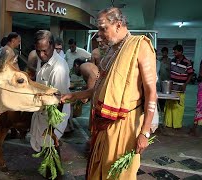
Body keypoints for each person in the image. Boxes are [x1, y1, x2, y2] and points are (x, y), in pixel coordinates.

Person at [61, 7, 157, 180]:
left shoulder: (140, 45)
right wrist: (75, 96)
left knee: (118, 174)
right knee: (100, 169)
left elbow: (151, 92)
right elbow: (98, 88)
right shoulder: (110, 52)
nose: (100, 34)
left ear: (118, 25)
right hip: (103, 123)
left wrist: (145, 132)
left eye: (103, 28)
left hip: (126, 124)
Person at [29, 30, 71, 158]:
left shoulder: (58, 68)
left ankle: (55, 174)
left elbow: (60, 100)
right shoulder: (41, 59)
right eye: (38, 51)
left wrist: (53, 128)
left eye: (44, 51)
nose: (41, 55)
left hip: (55, 114)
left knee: (50, 145)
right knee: (44, 146)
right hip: (42, 112)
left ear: (52, 46)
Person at [164, 45, 194, 129]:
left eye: (175, 52)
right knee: (170, 106)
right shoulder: (172, 61)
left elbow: (191, 74)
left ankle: (177, 125)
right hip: (172, 87)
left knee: (178, 107)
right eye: (173, 52)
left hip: (180, 88)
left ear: (181, 52)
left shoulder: (187, 62)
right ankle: (168, 123)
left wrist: (185, 84)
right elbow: (171, 72)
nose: (174, 53)